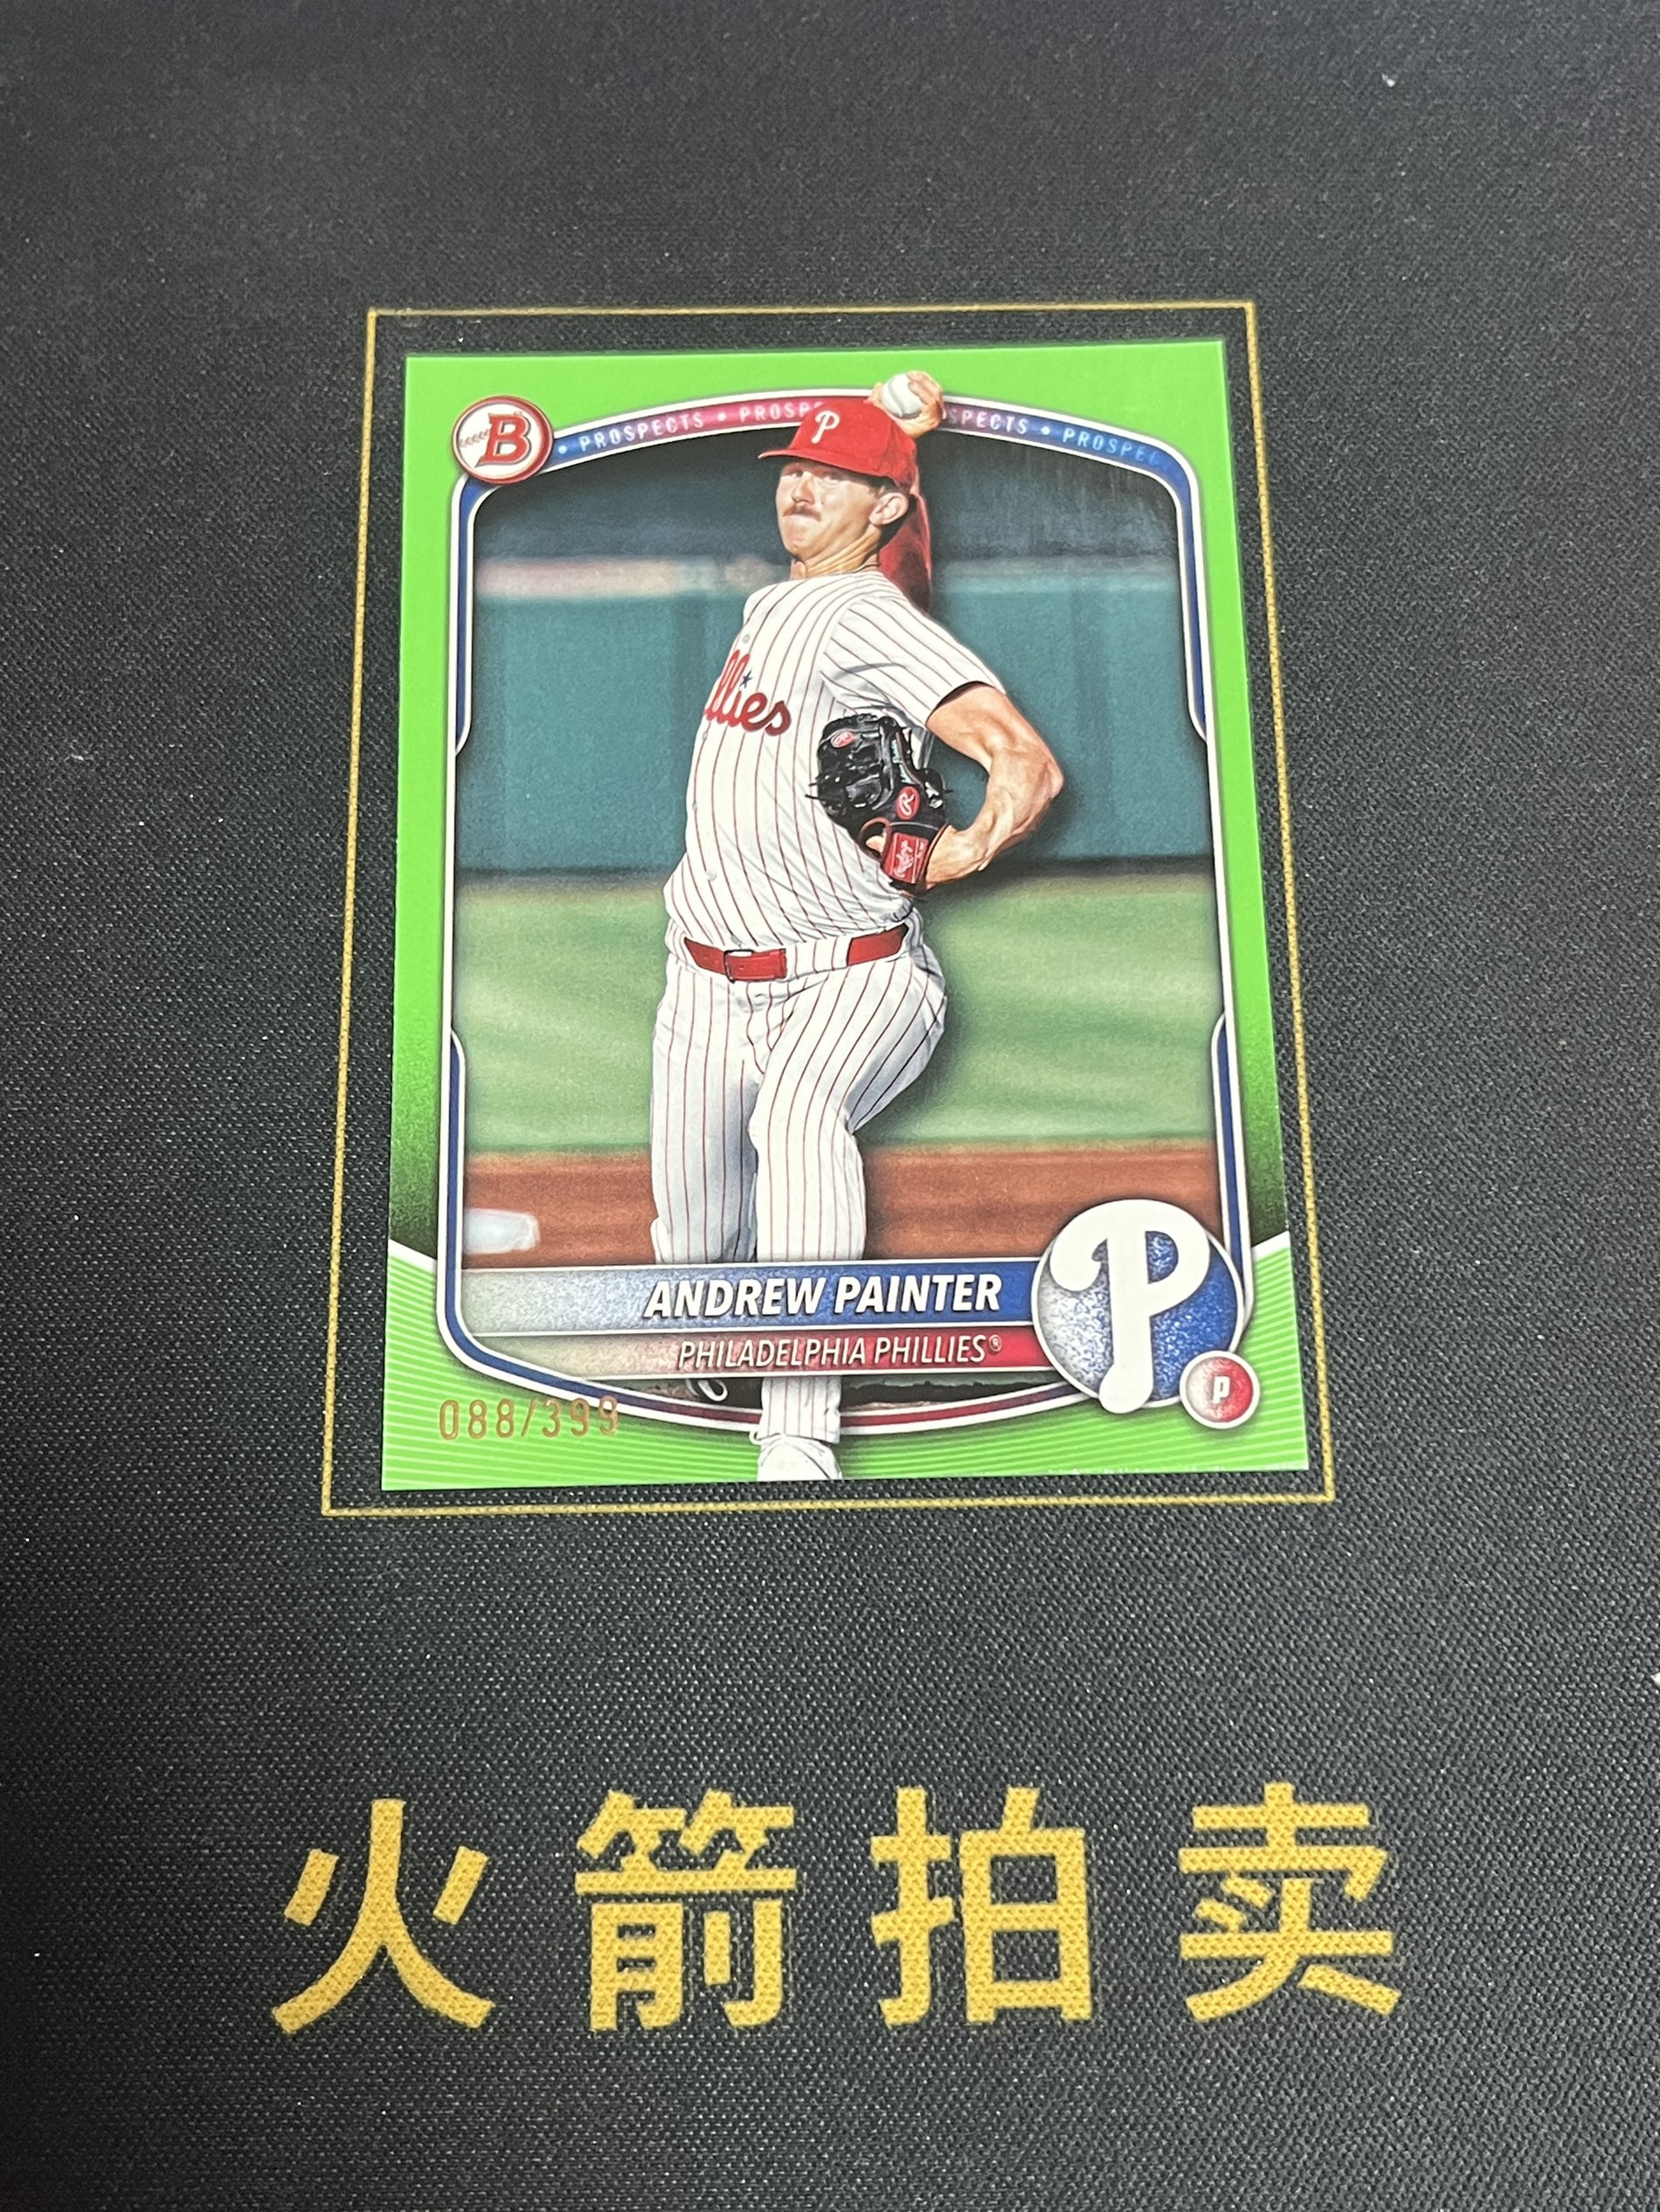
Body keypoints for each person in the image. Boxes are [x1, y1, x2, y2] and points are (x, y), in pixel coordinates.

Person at [649, 373, 1063, 1480]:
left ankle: (799, 1439)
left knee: (800, 1121)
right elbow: (903, 577)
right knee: (693, 1251)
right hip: (703, 988)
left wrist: (965, 847)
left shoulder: (862, 619)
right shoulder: (782, 604)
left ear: (879, 506)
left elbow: (1022, 759)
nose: (798, 488)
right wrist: (904, 449)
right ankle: (726, 1361)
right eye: (794, 468)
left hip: (852, 975)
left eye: (831, 477)